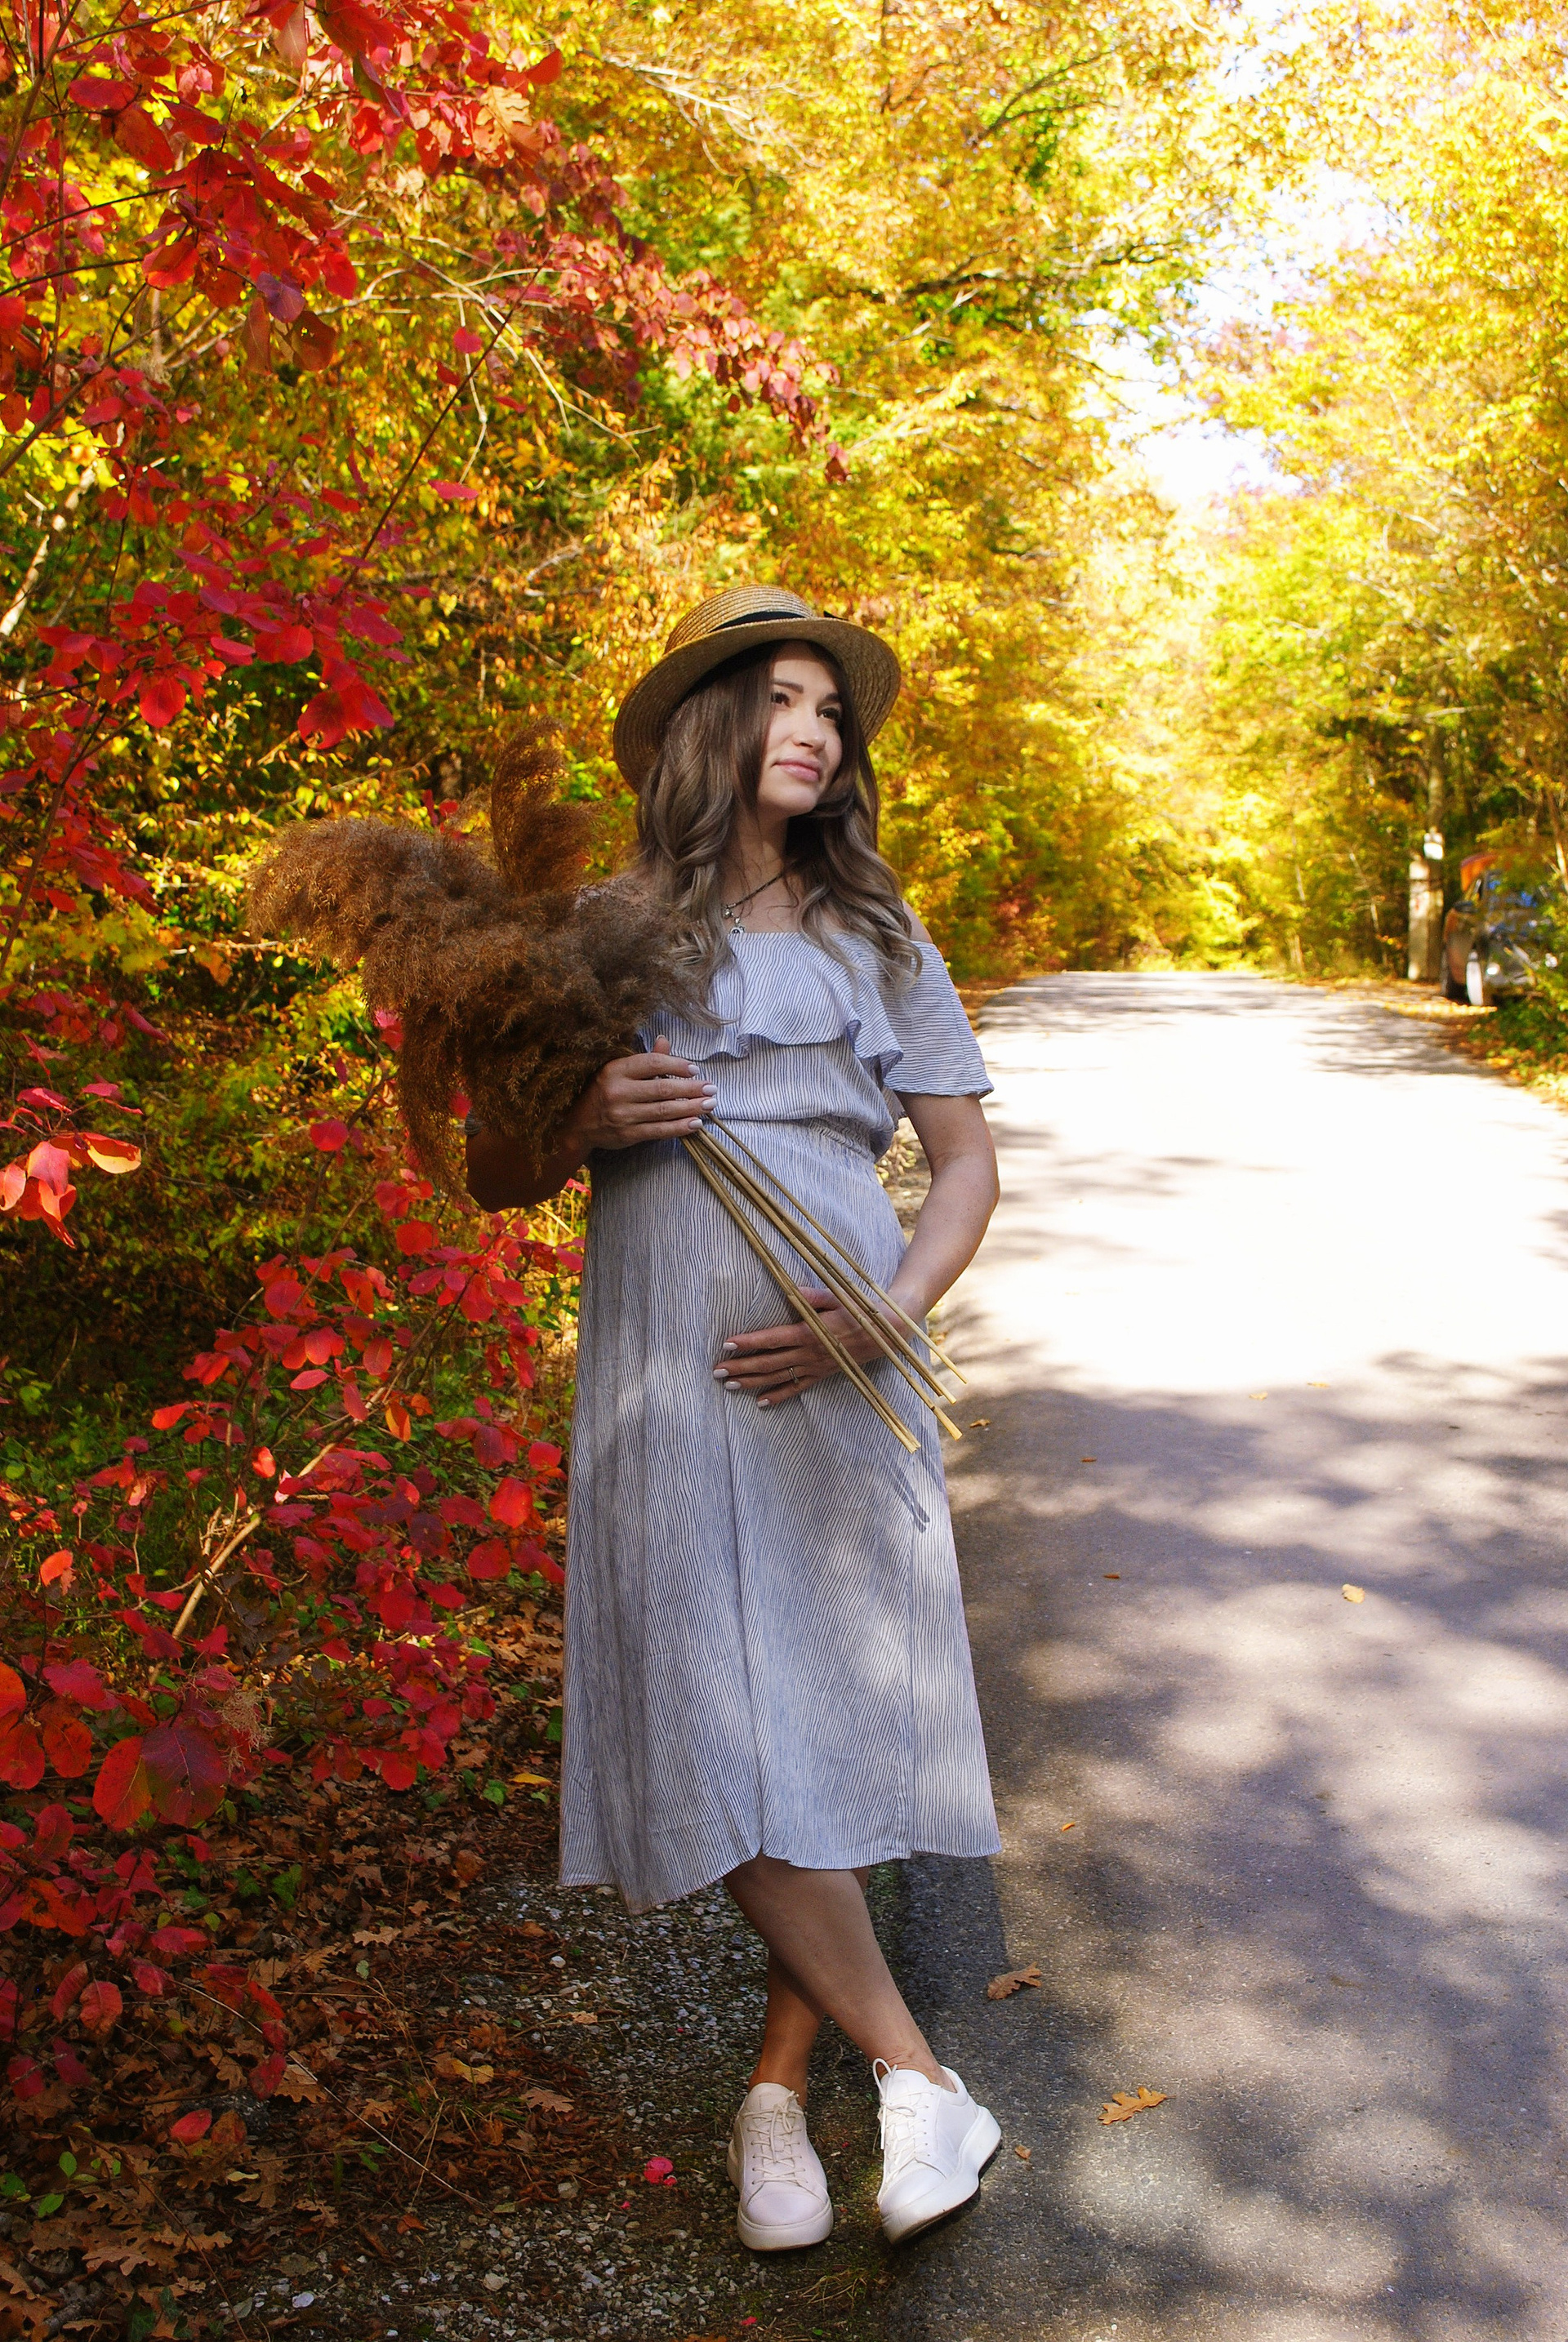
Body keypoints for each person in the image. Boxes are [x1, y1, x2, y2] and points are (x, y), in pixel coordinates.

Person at [466, 584, 1002, 2249]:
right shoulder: (596, 932)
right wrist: (579, 1114)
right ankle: (919, 2078)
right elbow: (491, 1169)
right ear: (709, 724)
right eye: (784, 698)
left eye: (832, 711)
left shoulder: (879, 935)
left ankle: (778, 2103)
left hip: (842, 1356)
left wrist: (883, 1315)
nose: (815, 733)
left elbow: (967, 1167)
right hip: (663, 1371)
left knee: (821, 1725)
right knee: (713, 1720)